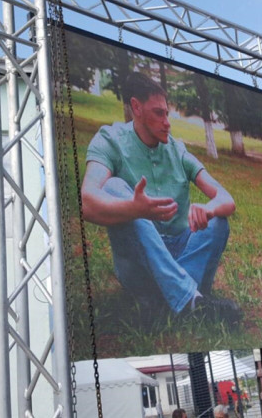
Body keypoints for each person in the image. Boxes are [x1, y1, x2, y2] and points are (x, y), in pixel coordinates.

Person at [81, 72, 240, 323]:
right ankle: (189, 299)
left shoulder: (178, 149)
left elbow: (226, 199)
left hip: (181, 250)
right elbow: (87, 201)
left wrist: (208, 210)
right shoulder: (110, 140)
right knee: (112, 186)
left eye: (167, 114)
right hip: (137, 262)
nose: (167, 122)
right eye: (159, 113)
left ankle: (170, 299)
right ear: (136, 107)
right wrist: (134, 209)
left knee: (219, 220)